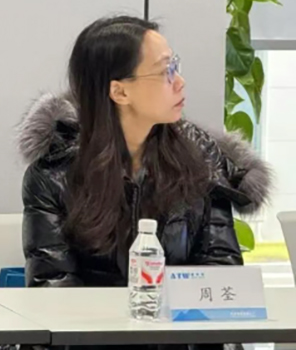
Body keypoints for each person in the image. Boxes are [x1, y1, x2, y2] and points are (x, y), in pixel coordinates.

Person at [19, 15, 271, 290]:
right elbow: (54, 289)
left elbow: (221, 274)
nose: (180, 82)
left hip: (180, 318)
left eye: (175, 65)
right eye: (165, 71)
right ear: (119, 92)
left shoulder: (201, 156)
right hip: (90, 318)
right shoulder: (53, 175)